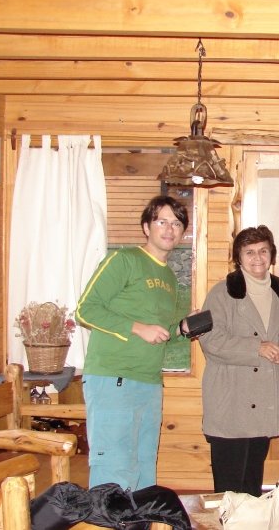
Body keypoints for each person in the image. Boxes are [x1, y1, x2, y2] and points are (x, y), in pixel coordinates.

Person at [75, 195, 193, 490]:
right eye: (161, 221)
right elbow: (85, 310)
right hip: (113, 378)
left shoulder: (168, 277)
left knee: (142, 469)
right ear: (146, 226)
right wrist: (138, 328)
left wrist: (181, 327)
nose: (169, 229)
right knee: (114, 471)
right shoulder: (124, 259)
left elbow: (159, 332)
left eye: (176, 223)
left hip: (149, 383)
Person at [198, 225, 279, 496]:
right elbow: (210, 340)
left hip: (265, 401)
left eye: (263, 251)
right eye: (249, 252)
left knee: (252, 484)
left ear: (272, 255)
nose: (257, 258)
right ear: (238, 257)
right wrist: (257, 348)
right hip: (231, 400)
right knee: (228, 489)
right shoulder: (221, 292)